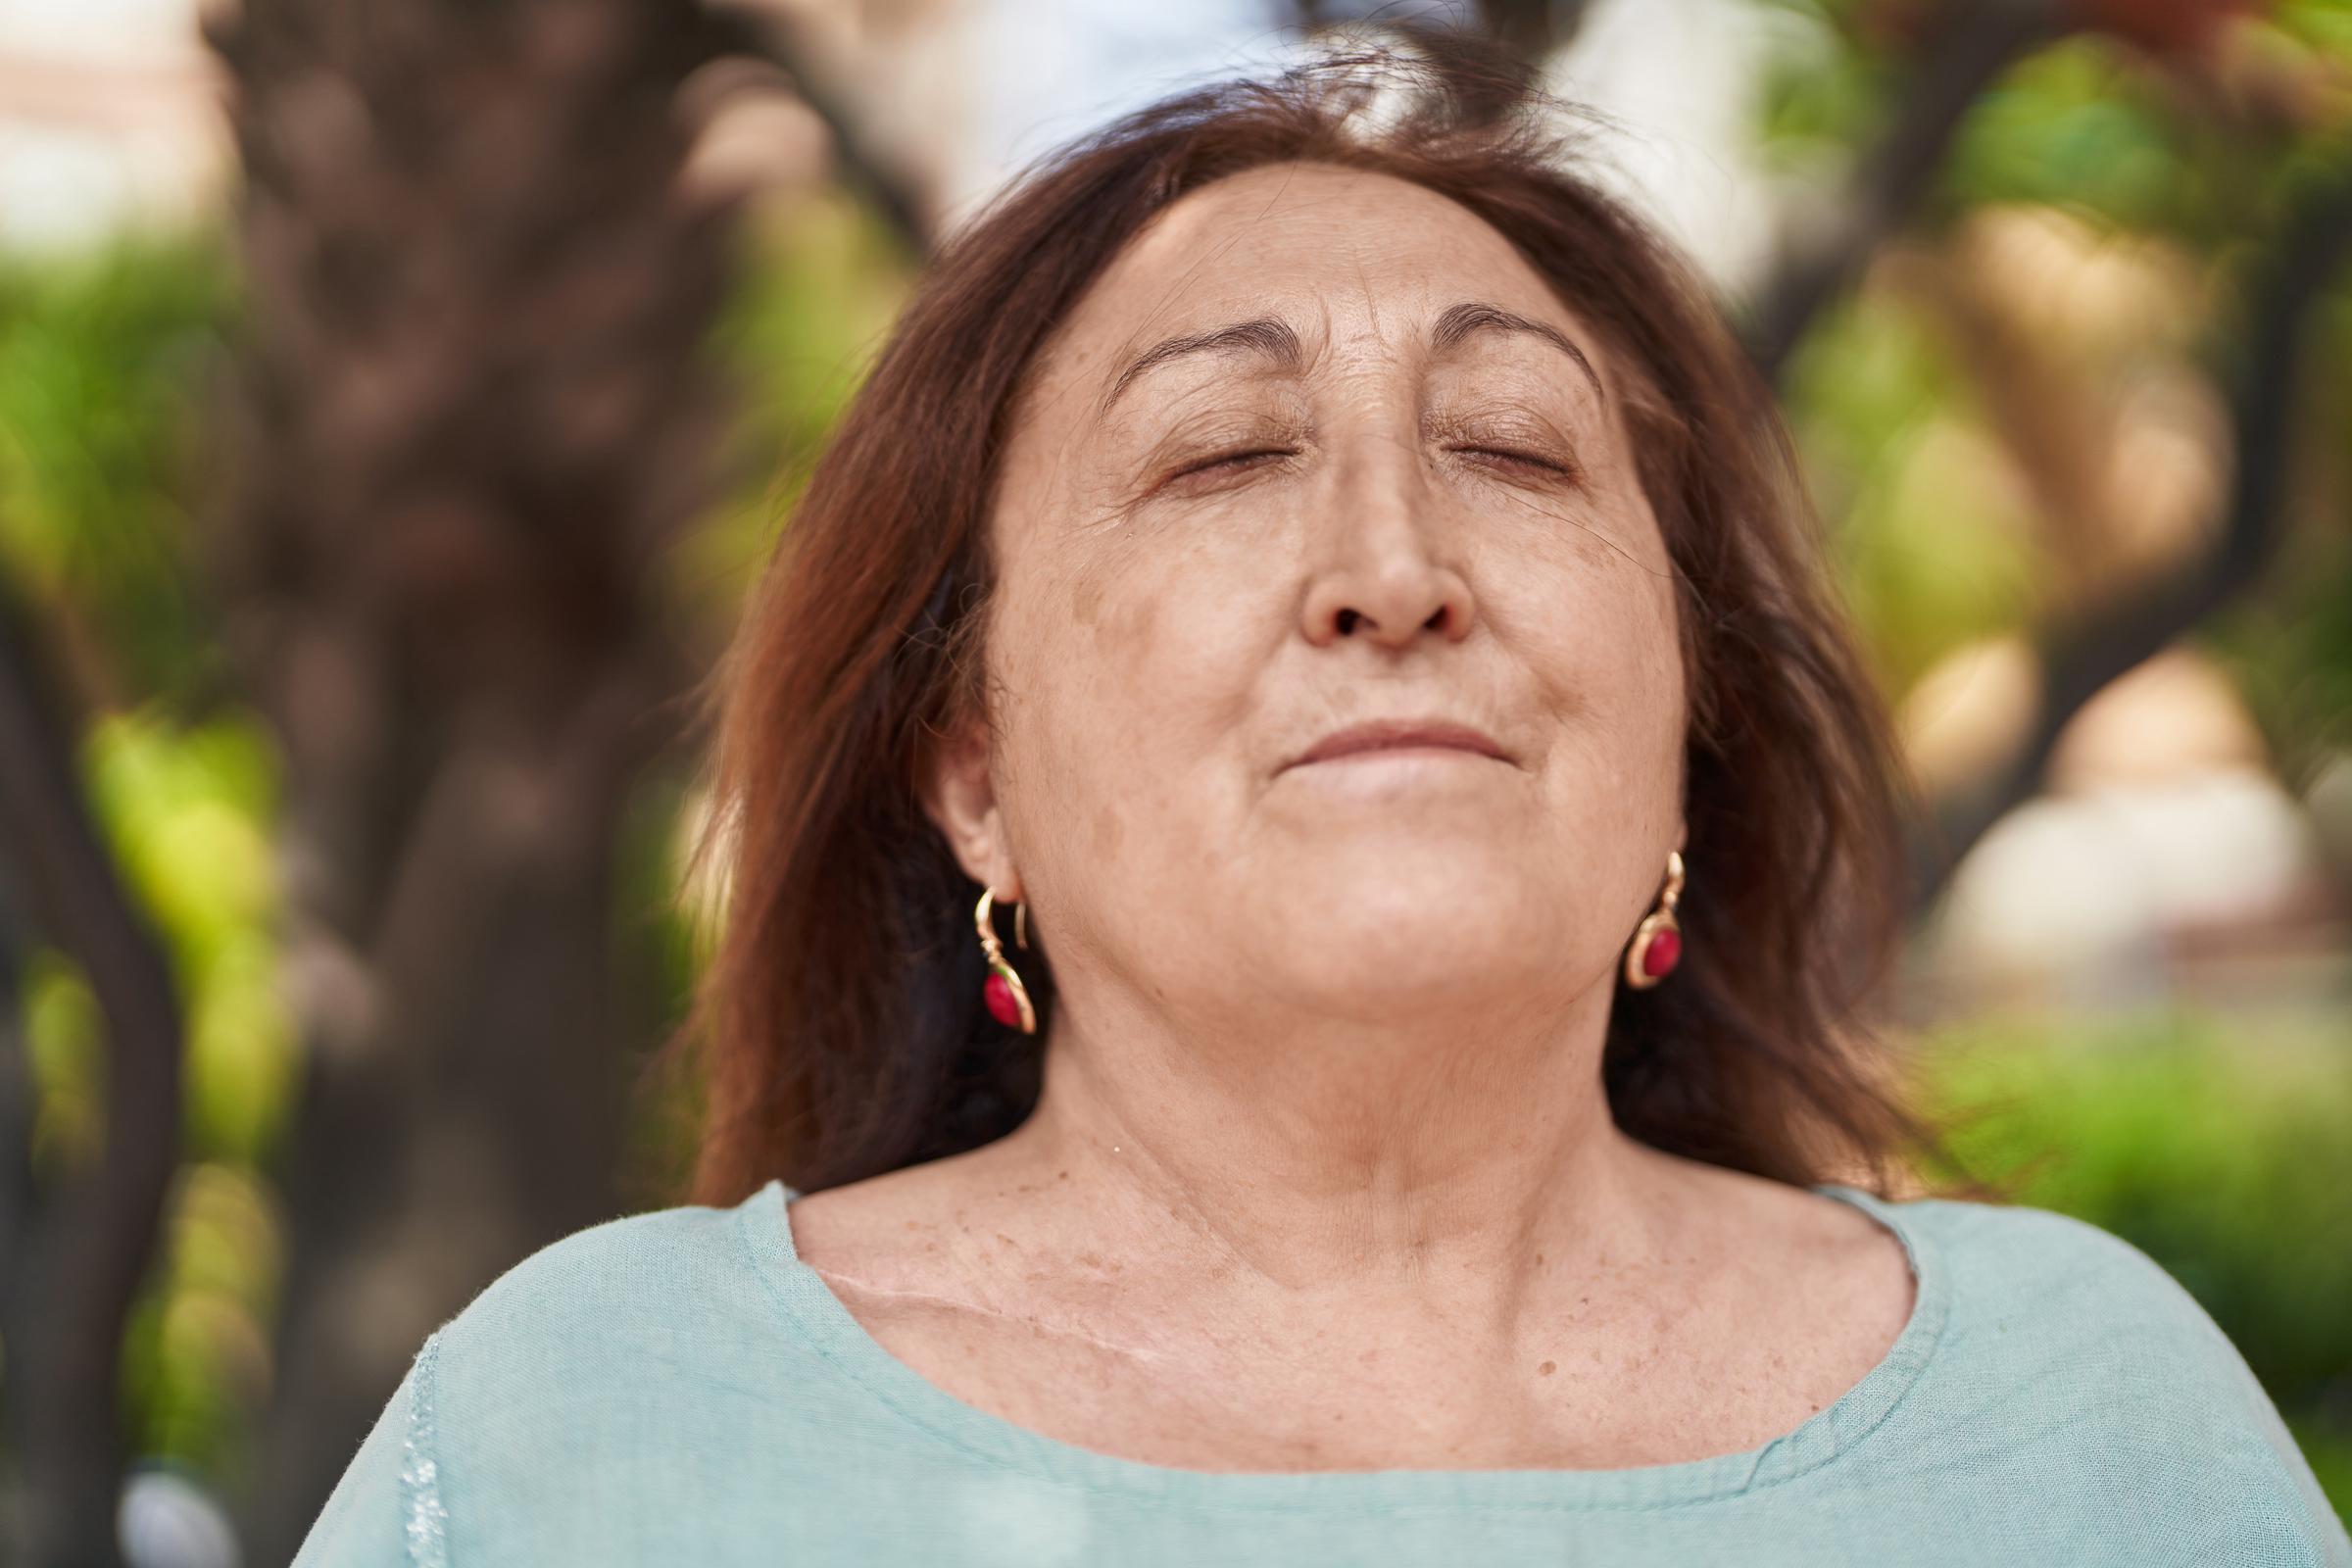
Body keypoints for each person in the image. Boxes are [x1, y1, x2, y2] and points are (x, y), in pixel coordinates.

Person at [291, 32, 2352, 1568]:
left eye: (1519, 451)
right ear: (973, 769)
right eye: (1221, 454)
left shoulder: (2095, 1424)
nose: (1394, 562)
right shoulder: (582, 1434)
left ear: (1682, 735)